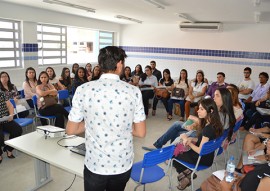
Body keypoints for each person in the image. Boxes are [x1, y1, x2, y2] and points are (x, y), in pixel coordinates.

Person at [66, 46, 146, 191]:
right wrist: (121, 125)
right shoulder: (133, 91)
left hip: (95, 164)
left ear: (100, 64)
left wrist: (92, 122)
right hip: (122, 163)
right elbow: (140, 132)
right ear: (120, 64)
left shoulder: (83, 90)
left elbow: (71, 129)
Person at [142, 88, 236, 151]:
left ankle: (165, 149)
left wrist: (195, 123)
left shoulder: (222, 114)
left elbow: (209, 130)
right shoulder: (220, 110)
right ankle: (167, 149)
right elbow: (208, 123)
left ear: (224, 98)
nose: (214, 97)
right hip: (203, 132)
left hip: (204, 137)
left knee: (178, 131)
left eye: (217, 95)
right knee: (177, 125)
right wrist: (195, 123)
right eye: (214, 95)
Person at [173, 98, 223, 190]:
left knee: (174, 154)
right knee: (179, 148)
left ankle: (186, 176)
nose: (198, 111)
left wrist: (186, 139)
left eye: (201, 109)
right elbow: (206, 140)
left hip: (201, 159)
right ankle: (187, 174)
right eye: (199, 108)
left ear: (211, 110)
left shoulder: (208, 129)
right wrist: (192, 138)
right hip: (209, 156)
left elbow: (200, 150)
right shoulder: (216, 124)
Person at [0, 91, 22, 163]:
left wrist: (11, 115)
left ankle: (9, 149)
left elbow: (10, 105)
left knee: (18, 130)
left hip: (5, 119)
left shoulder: (2, 94)